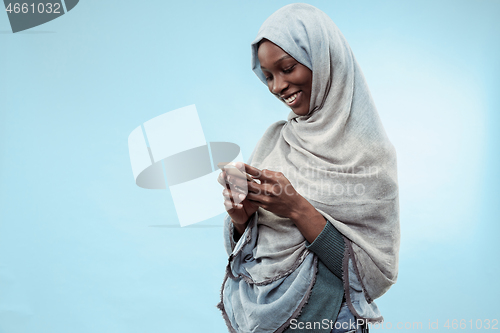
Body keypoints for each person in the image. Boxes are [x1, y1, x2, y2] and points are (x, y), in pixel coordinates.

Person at [216, 3, 400, 333]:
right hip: (261, 321)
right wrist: (240, 219)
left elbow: (370, 275)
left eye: (287, 68)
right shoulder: (275, 140)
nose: (277, 86)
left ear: (324, 60)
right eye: (268, 76)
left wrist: (298, 208)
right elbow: (250, 255)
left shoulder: (370, 154)